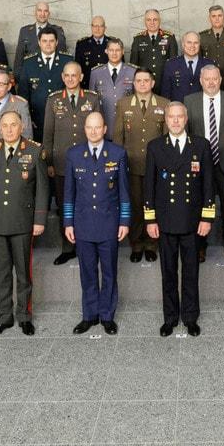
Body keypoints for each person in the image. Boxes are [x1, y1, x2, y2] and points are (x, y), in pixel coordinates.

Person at [144, 102, 216, 337]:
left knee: (191, 272)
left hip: (192, 221)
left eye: (179, 117)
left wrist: (207, 217)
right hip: (165, 221)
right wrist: (150, 220)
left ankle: (190, 317)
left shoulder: (201, 146)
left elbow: (208, 184)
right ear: (166, 120)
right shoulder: (155, 147)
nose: (175, 121)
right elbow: (149, 187)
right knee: (168, 272)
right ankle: (170, 318)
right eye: (171, 117)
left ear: (186, 119)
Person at [0, 112, 48, 336]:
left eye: (13, 125)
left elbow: (42, 189)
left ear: (22, 126)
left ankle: (24, 316)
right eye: (4, 125)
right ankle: (4, 317)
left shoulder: (35, 150)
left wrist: (39, 220)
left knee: (23, 272)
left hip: (23, 222)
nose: (9, 130)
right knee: (1, 273)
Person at [64, 113, 129, 335]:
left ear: (104, 129)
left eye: (97, 127)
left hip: (109, 223)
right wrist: (68, 223)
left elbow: (124, 192)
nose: (93, 131)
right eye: (89, 127)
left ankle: (107, 316)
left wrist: (124, 221)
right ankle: (89, 315)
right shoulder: (74, 155)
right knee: (88, 272)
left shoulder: (118, 153)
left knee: (109, 271)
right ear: (85, 129)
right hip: (82, 224)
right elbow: (68, 194)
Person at [41, 62, 102, 265]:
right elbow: (48, 133)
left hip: (88, 163)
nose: (70, 79)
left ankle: (86, 244)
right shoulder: (54, 100)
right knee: (65, 206)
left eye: (73, 75)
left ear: (81, 76)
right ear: (62, 77)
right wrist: (48, 161)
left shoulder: (92, 98)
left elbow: (99, 132)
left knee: (87, 205)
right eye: (66, 75)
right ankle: (68, 247)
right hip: (61, 164)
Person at [186, 64, 224, 263]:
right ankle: (200, 247)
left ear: (220, 80)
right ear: (201, 81)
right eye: (207, 79)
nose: (211, 82)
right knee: (198, 206)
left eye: (215, 79)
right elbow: (187, 137)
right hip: (199, 165)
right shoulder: (189, 101)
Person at [113, 68, 169, 263]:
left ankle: (152, 244)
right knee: (136, 206)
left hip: (157, 167)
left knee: (154, 204)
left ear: (152, 83)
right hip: (131, 165)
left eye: (146, 80)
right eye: (139, 80)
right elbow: (118, 138)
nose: (143, 84)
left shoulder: (164, 104)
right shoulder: (123, 104)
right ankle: (136, 244)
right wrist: (118, 166)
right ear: (133, 83)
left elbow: (167, 139)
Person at [88, 37, 136, 132]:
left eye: (117, 50)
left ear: (122, 52)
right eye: (111, 50)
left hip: (126, 124)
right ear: (106, 51)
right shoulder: (96, 73)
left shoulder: (133, 72)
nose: (114, 53)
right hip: (103, 125)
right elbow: (91, 101)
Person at [159, 31, 212, 102]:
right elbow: (165, 93)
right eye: (189, 42)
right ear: (183, 44)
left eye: (196, 43)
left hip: (201, 110)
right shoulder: (171, 65)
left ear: (199, 44)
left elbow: (214, 91)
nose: (192, 46)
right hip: (178, 110)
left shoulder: (209, 64)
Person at [129, 8, 178, 76]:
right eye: (148, 20)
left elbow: (174, 64)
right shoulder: (138, 39)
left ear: (159, 21)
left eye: (155, 19)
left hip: (164, 82)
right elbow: (133, 65)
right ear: (145, 22)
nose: (152, 22)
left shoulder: (170, 38)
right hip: (144, 82)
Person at [16, 1, 66, 66]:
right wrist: (17, 75)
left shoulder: (57, 31)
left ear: (49, 14)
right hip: (30, 71)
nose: (42, 14)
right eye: (39, 10)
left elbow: (62, 56)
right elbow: (19, 57)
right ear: (35, 13)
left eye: (45, 11)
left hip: (50, 71)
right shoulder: (24, 31)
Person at [73, 15, 118, 80]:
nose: (97, 29)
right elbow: (77, 69)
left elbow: (120, 67)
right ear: (91, 27)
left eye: (100, 26)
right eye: (95, 26)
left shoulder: (114, 43)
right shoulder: (82, 44)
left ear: (105, 28)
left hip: (109, 85)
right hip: (88, 86)